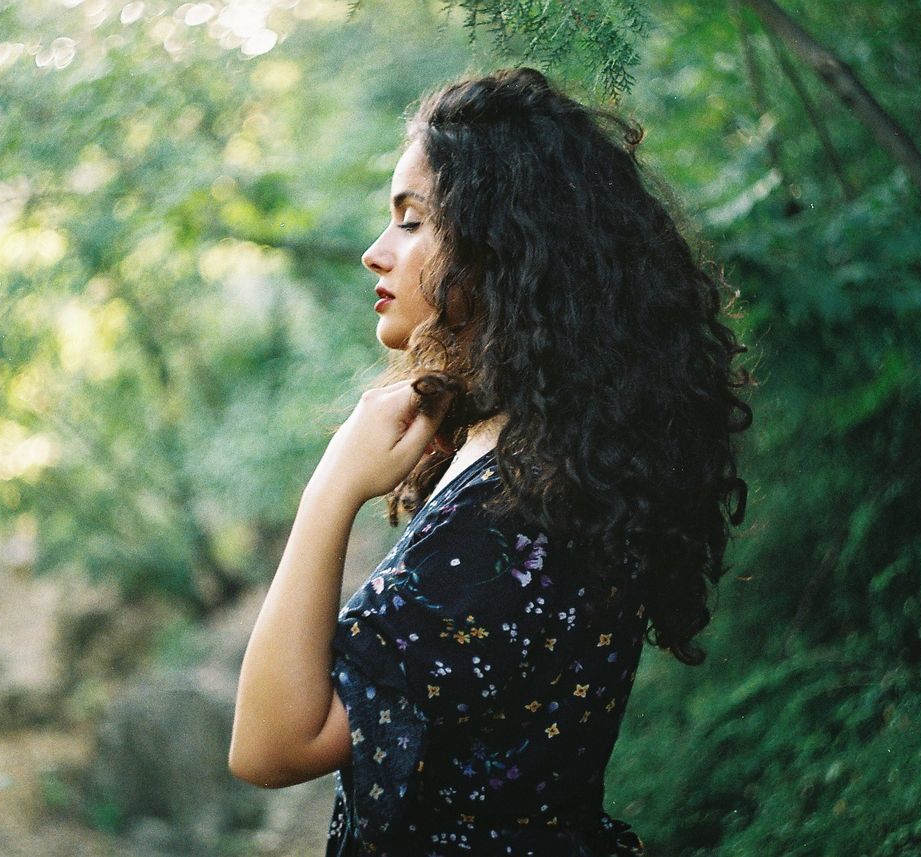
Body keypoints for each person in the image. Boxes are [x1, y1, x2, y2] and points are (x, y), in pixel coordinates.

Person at [229, 67, 751, 856]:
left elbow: (270, 745)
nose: (376, 253)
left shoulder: (514, 517)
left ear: (498, 243)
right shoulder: (550, 454)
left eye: (411, 221)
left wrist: (332, 487)